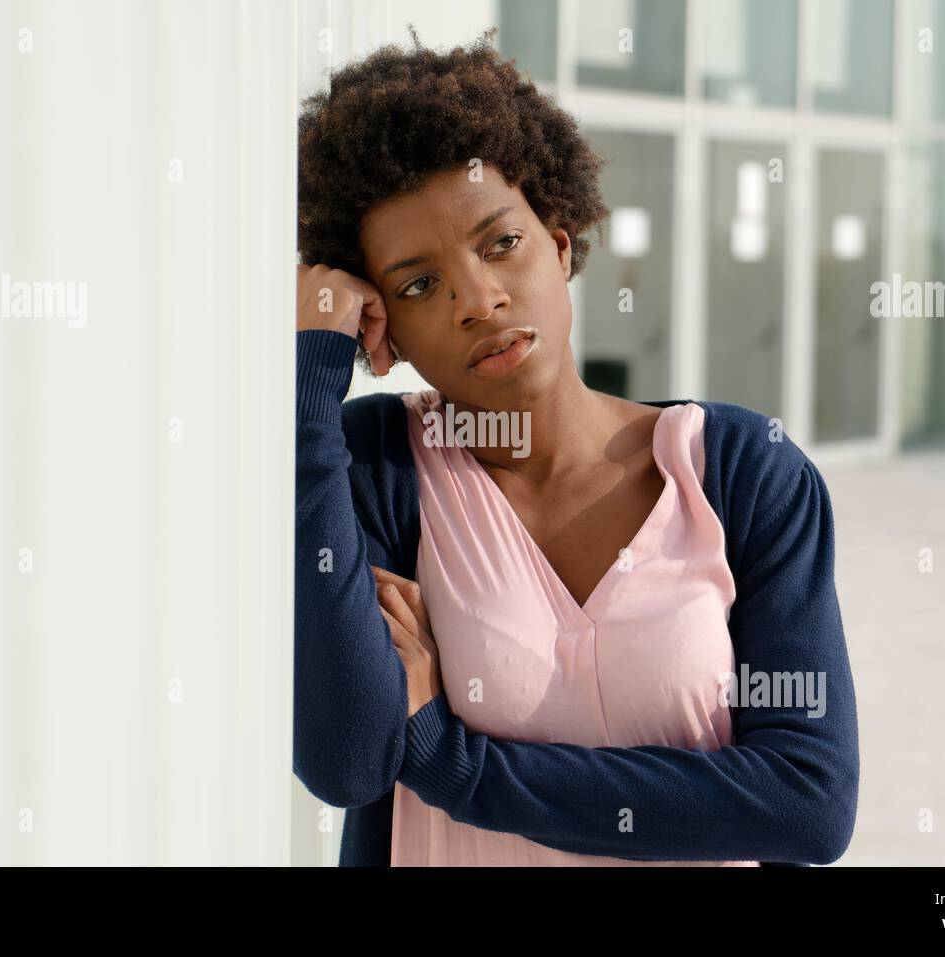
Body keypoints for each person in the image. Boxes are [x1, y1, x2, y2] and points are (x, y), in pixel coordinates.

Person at [294, 26, 859, 866]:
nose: (478, 299)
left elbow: (807, 805)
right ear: (389, 328)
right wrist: (312, 379)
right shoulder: (374, 469)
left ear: (559, 248)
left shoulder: (739, 472)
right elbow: (347, 758)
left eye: (501, 243)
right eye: (419, 284)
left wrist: (456, 763)